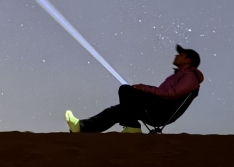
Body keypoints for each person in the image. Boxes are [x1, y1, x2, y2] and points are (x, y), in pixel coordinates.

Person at [65, 44, 203, 133]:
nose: (176, 55)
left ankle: (132, 126)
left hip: (161, 112)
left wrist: (144, 88)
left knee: (126, 90)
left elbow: (171, 94)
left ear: (188, 60)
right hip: (158, 108)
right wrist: (145, 88)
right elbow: (165, 93)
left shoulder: (190, 76)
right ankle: (81, 127)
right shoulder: (179, 75)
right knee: (117, 110)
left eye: (181, 55)